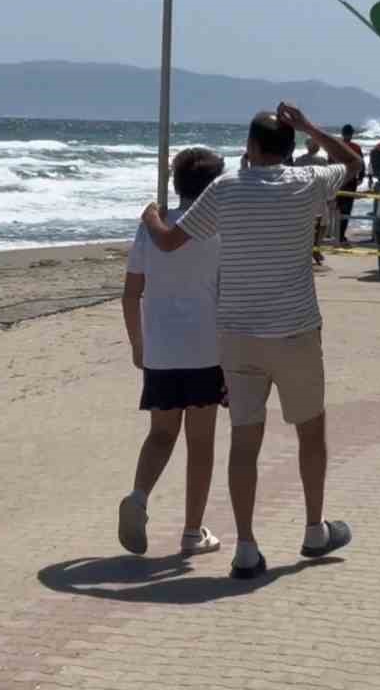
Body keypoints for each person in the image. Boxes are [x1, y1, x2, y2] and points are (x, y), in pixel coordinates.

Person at [140, 102, 360, 580]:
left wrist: (152, 216)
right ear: (286, 147)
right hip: (296, 329)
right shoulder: (308, 183)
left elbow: (171, 240)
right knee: (310, 431)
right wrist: (310, 127)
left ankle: (245, 546)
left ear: (251, 148)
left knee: (245, 439)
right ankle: (314, 529)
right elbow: (354, 163)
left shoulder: (226, 188)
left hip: (238, 334)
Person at [118, 147, 227, 558]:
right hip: (205, 348)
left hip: (161, 349)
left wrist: (137, 344)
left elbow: (131, 293)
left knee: (161, 434)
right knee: (200, 443)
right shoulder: (219, 230)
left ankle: (139, 497)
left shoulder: (154, 226)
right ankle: (192, 530)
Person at [296, 139, 329, 265]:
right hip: (317, 196)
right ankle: (316, 248)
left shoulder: (298, 161)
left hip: (302, 196)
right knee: (322, 224)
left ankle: (310, 250)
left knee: (306, 225)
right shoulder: (322, 161)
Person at [334, 124, 365, 244]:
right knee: (346, 210)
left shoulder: (336, 146)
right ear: (352, 134)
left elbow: (329, 163)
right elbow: (361, 164)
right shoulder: (356, 147)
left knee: (335, 208)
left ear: (342, 133)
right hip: (350, 182)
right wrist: (361, 177)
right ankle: (341, 236)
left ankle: (334, 235)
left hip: (336, 180)